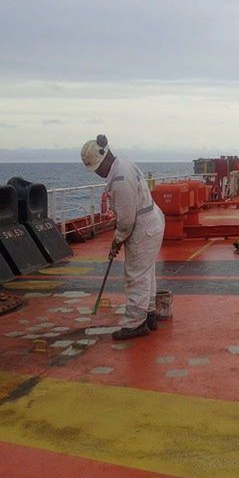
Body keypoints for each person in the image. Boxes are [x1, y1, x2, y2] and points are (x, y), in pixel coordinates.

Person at [81, 134, 165, 340]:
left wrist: (117, 239)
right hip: (150, 221)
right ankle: (149, 314)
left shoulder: (119, 178)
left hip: (143, 228)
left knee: (136, 276)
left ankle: (135, 324)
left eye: (97, 169)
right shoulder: (124, 165)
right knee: (146, 272)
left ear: (104, 160)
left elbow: (126, 221)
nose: (98, 174)